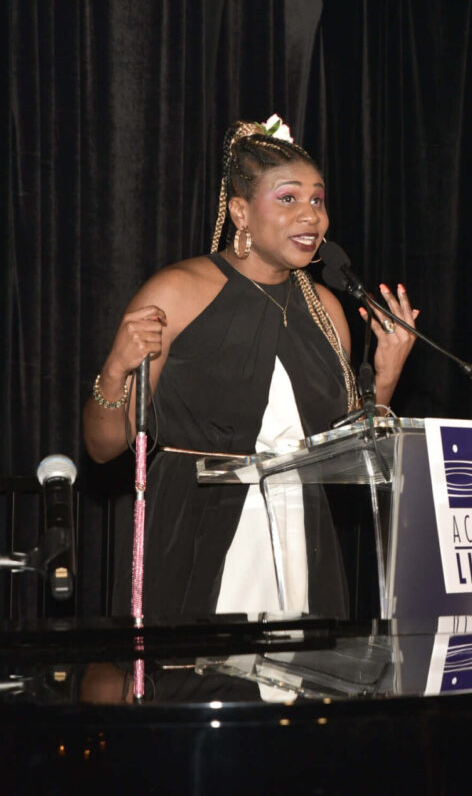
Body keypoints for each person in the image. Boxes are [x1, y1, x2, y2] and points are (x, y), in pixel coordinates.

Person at [83, 116, 417, 619]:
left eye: (318, 200)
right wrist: (115, 369)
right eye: (289, 199)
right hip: (195, 532)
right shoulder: (179, 291)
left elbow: (344, 449)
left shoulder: (327, 310)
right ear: (240, 212)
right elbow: (104, 446)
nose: (311, 216)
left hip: (302, 537)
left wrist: (386, 375)